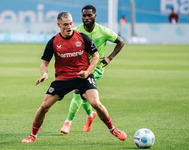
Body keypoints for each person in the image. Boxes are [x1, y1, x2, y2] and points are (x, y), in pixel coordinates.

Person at [21, 11, 126, 143]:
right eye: (65, 24)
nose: (69, 27)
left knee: (95, 103)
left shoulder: (82, 37)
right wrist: (45, 74)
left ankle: (113, 129)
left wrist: (88, 72)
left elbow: (96, 56)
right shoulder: (53, 41)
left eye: (70, 23)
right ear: (59, 25)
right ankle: (33, 135)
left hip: (83, 76)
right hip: (63, 78)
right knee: (44, 107)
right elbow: (45, 63)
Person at [60, 5, 125, 135]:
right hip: (80, 67)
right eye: (84, 15)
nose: (87, 18)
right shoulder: (77, 31)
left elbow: (120, 42)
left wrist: (110, 58)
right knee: (84, 95)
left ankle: (68, 122)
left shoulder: (103, 31)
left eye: (90, 15)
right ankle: (90, 115)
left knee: (78, 91)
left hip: (96, 68)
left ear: (95, 15)